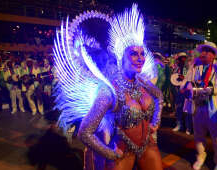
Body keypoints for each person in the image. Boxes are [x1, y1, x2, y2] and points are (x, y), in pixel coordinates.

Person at [54, 4, 163, 170]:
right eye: (134, 53)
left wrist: (156, 120)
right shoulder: (110, 91)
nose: (140, 58)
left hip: (148, 144)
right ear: (121, 57)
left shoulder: (143, 82)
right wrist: (110, 154)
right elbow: (84, 132)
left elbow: (159, 96)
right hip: (123, 149)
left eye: (142, 53)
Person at [183, 42, 217, 170]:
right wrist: (188, 88)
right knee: (198, 135)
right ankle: (200, 157)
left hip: (213, 108)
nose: (203, 53)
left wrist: (206, 90)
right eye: (203, 50)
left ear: (213, 55)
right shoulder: (195, 66)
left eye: (207, 51)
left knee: (216, 137)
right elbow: (186, 82)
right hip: (198, 106)